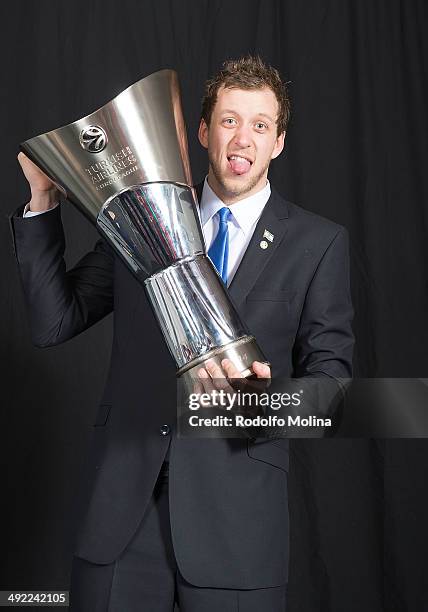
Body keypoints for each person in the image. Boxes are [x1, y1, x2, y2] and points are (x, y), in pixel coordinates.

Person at [10, 56, 354, 611]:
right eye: (229, 120)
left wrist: (269, 406)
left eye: (260, 124)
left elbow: (334, 388)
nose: (242, 138)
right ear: (201, 131)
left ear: (280, 141)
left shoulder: (318, 243)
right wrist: (43, 201)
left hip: (237, 531)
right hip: (122, 520)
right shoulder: (142, 216)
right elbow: (55, 322)